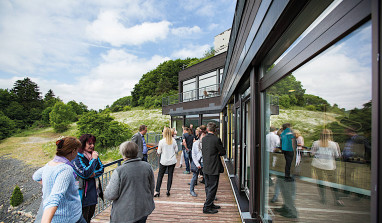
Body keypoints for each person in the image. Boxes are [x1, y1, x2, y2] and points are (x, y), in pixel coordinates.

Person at [33, 137, 86, 223]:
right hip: (70, 218)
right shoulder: (66, 169)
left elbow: (35, 176)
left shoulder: (50, 165)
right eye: (77, 151)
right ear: (73, 151)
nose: (77, 153)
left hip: (59, 218)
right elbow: (55, 197)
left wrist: (51, 185)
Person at [104, 141, 155, 223]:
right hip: (144, 209)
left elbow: (110, 195)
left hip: (125, 214)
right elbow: (151, 187)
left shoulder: (119, 171)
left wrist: (106, 189)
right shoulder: (147, 166)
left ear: (123, 153)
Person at [72, 134, 104, 223]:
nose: (92, 146)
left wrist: (92, 174)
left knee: (89, 216)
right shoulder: (77, 156)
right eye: (89, 144)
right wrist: (93, 160)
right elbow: (85, 173)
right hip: (82, 194)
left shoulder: (93, 154)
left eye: (93, 143)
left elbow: (101, 169)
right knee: (83, 218)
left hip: (93, 191)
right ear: (83, 144)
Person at [311, 129, 343, 206]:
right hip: (329, 165)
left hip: (318, 164)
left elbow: (312, 153)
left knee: (320, 182)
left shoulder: (316, 143)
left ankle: (323, 198)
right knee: (333, 183)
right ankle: (337, 199)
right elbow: (337, 155)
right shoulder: (334, 144)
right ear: (329, 135)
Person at [202, 122, 226, 214]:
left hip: (206, 166)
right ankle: (206, 207)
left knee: (208, 187)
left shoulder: (204, 139)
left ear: (207, 130)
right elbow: (223, 152)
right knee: (213, 187)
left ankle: (210, 203)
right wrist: (217, 153)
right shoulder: (216, 139)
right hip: (213, 167)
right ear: (215, 130)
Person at [154, 127, 178, 197]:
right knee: (170, 175)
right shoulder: (173, 141)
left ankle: (157, 191)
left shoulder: (161, 141)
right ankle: (168, 190)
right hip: (172, 160)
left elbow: (159, 152)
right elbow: (176, 151)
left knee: (160, 176)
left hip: (164, 161)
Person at [190, 125, 207, 197]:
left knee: (207, 178)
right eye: (203, 135)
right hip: (198, 162)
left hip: (205, 163)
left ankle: (209, 194)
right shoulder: (195, 144)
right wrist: (197, 164)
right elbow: (193, 155)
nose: (204, 136)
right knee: (194, 177)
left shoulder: (207, 143)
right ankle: (191, 190)